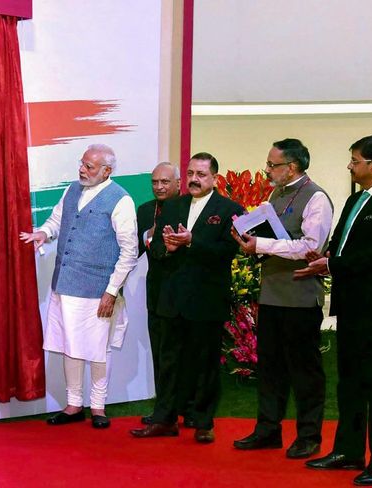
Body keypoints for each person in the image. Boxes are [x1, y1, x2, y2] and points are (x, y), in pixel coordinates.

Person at [296, 135, 372, 485]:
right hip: (353, 306)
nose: (350, 165)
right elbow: (343, 245)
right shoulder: (354, 199)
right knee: (350, 383)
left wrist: (332, 265)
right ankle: (348, 451)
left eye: (355, 160)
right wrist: (325, 257)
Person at [20, 144, 138, 429]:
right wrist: (44, 233)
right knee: (69, 345)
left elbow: (129, 251)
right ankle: (73, 405)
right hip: (65, 284)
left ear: (106, 171)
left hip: (98, 290)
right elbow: (56, 220)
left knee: (98, 350)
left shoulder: (121, 200)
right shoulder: (72, 190)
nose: (82, 170)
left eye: (89, 166)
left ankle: (98, 407)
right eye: (82, 164)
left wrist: (111, 291)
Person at [130, 153, 243, 443]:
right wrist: (167, 248)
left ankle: (203, 422)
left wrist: (192, 242)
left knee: (205, 364)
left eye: (201, 174)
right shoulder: (172, 206)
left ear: (215, 178)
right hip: (171, 299)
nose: (194, 179)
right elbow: (155, 248)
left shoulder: (230, 210)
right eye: (191, 173)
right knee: (168, 363)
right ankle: (164, 419)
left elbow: (228, 252)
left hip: (207, 300)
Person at [231, 139, 333, 459]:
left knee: (304, 370)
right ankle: (268, 430)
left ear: (292, 167)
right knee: (270, 367)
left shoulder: (316, 197)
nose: (267, 170)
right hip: (273, 293)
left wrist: (260, 245)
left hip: (300, 297)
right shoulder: (276, 195)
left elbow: (310, 246)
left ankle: (309, 435)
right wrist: (250, 239)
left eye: (272, 165)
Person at [135, 162, 189, 425]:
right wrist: (149, 235)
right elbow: (135, 249)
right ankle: (164, 409)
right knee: (159, 353)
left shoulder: (189, 208)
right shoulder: (146, 210)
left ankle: (190, 409)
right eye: (155, 182)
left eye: (165, 182)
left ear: (178, 183)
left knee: (185, 354)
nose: (159, 187)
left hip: (185, 293)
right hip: (156, 293)